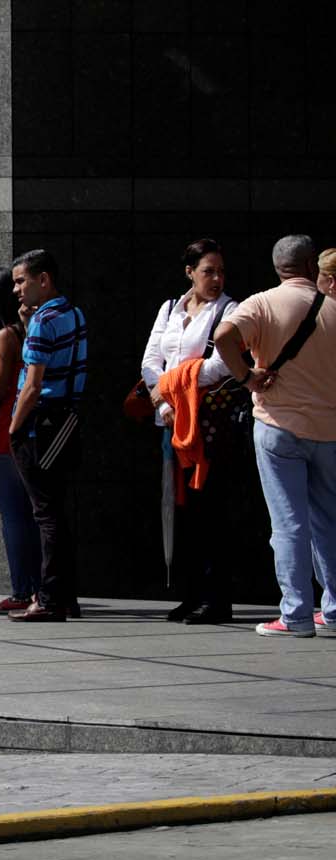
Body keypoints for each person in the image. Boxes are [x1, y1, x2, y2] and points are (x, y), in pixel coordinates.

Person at [214, 235, 336, 638]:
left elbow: (224, 338)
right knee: (328, 521)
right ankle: (333, 609)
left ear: (279, 267)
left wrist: (247, 376)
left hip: (278, 426)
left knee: (288, 523)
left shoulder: (262, 303)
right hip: (330, 430)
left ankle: (296, 614)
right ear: (308, 266)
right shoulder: (333, 308)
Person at [139, 239, 238, 624]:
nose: (215, 279)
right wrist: (166, 403)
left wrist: (173, 388)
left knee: (210, 509)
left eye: (220, 272)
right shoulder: (170, 308)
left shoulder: (229, 310)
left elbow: (220, 366)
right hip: (170, 420)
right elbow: (151, 360)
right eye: (207, 271)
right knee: (178, 509)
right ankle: (190, 592)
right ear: (189, 273)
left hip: (206, 424)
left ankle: (217, 598)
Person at [5, 249, 88, 623]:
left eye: (21, 281)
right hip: (67, 422)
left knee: (46, 514)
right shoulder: (73, 313)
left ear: (44, 279)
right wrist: (27, 325)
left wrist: (14, 425)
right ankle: (65, 596)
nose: (16, 290)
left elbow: (33, 384)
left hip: (40, 425)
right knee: (57, 511)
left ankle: (50, 597)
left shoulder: (44, 321)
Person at [0, 267, 42, 614]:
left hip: (5, 433)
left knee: (13, 516)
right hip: (31, 431)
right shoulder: (30, 329)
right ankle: (39, 590)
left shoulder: (5, 336)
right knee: (36, 516)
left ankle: (21, 590)